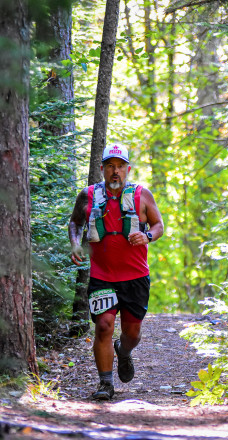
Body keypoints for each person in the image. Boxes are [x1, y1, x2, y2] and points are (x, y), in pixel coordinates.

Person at [69, 143, 164, 400]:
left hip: (135, 277)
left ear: (128, 169)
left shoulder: (142, 195)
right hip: (102, 276)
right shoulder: (87, 195)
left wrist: (147, 236)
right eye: (110, 166)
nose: (115, 171)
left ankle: (123, 351)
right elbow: (75, 223)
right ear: (102, 169)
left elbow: (158, 225)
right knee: (103, 326)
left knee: (132, 334)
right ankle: (105, 384)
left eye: (120, 166)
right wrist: (76, 245)